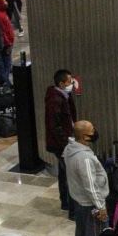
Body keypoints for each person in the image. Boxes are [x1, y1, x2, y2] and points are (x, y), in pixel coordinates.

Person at [63, 120, 110, 236]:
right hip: (89, 202)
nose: (95, 131)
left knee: (82, 229)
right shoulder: (84, 158)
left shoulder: (70, 148)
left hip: (78, 199)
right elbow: (90, 185)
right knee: (96, 235)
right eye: (92, 130)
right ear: (84, 136)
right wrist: (100, 206)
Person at [45, 70, 78, 216]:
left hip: (66, 140)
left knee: (64, 173)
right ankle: (72, 209)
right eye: (69, 82)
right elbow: (55, 126)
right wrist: (66, 143)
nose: (71, 84)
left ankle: (65, 203)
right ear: (61, 83)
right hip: (61, 144)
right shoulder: (55, 100)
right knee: (69, 175)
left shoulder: (64, 96)